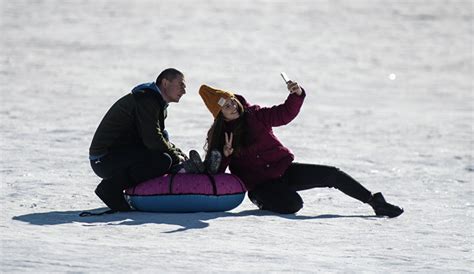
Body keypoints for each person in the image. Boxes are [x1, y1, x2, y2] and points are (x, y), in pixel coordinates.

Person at [198, 81, 404, 217]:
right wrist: (225, 156)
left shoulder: (255, 115)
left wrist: (296, 95)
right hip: (261, 187)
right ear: (219, 114)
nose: (233, 106)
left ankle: (375, 202)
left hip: (283, 170)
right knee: (293, 205)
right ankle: (264, 201)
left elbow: (283, 114)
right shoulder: (219, 137)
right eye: (226, 106)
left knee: (332, 174)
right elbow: (215, 173)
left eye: (232, 101)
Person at [89, 68, 208, 212]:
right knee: (162, 160)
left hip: (121, 154)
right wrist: (175, 157)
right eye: (181, 85)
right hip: (104, 160)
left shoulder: (155, 101)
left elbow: (160, 136)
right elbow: (152, 140)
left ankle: (181, 168)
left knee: (165, 150)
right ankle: (109, 189)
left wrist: (178, 153)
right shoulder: (146, 100)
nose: (184, 91)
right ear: (165, 83)